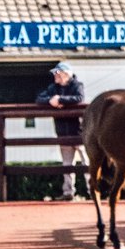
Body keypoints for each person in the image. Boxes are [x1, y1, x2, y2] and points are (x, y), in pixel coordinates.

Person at [36, 62, 87, 200]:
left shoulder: (77, 85)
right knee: (67, 165)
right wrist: (51, 101)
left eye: (57, 73)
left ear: (65, 74)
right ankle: (68, 193)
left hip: (79, 132)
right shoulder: (53, 88)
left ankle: (93, 190)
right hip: (62, 131)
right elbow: (39, 98)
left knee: (87, 163)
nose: (55, 76)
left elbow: (79, 98)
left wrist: (61, 99)